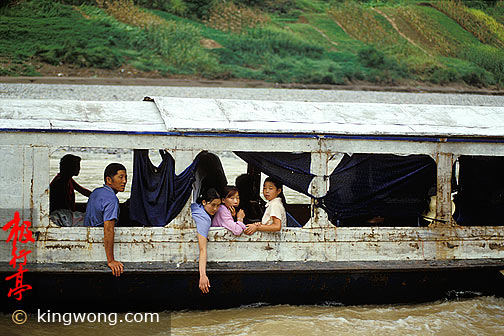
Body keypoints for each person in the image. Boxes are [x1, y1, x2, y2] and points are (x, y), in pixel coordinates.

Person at [84, 163, 127, 277]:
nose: (125, 181)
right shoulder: (112, 199)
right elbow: (108, 229)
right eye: (121, 177)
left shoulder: (96, 192)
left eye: (126, 177)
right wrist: (111, 261)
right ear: (109, 179)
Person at [191, 188, 221, 294]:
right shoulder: (204, 219)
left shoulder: (195, 206)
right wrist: (203, 275)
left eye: (218, 205)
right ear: (204, 202)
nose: (215, 209)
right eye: (212, 205)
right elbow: (202, 249)